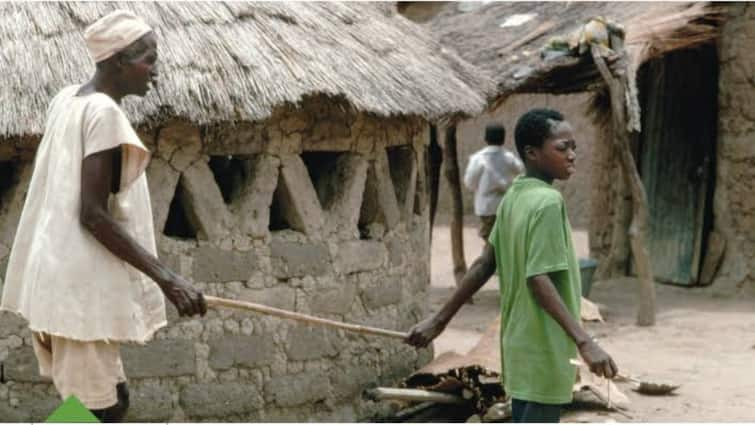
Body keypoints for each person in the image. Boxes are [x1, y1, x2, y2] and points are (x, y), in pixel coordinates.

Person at [0, 10, 206, 422]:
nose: (155, 70)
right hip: (75, 294)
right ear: (116, 62)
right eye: (148, 59)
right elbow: (92, 215)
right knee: (100, 411)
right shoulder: (103, 114)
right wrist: (168, 279)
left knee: (112, 403)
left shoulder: (67, 100)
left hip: (59, 282)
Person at [406, 108, 617, 422]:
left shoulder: (514, 196)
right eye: (562, 148)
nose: (572, 155)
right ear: (532, 153)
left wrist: (439, 322)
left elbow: (483, 264)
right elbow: (538, 279)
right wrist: (586, 342)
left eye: (574, 146)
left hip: (518, 345)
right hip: (545, 347)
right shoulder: (547, 202)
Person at [463, 124, 524, 242]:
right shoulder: (509, 157)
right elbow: (521, 173)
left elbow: (469, 182)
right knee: (504, 240)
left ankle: (489, 259)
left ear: (485, 139)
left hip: (485, 206)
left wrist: (480, 189)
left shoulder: (478, 158)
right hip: (506, 206)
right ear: (503, 138)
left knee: (489, 240)